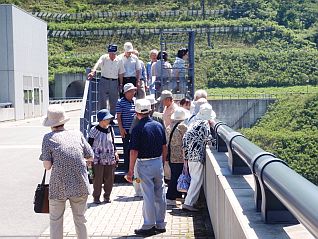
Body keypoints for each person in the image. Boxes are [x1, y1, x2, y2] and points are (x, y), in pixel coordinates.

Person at [40, 104, 94, 239]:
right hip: (80, 184)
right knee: (80, 219)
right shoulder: (77, 134)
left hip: (59, 186)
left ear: (51, 123)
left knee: (56, 220)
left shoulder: (48, 138)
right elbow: (90, 156)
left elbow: (47, 166)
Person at [126, 99, 167, 236]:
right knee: (160, 193)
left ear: (137, 112)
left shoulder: (137, 129)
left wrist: (131, 171)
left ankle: (149, 225)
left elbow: (133, 152)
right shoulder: (158, 125)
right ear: (150, 110)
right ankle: (161, 224)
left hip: (144, 164)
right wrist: (162, 162)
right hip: (158, 162)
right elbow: (164, 146)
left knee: (148, 195)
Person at [182, 103, 216, 212]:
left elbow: (185, 138)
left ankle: (191, 202)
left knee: (194, 179)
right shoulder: (204, 124)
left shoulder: (194, 122)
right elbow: (208, 139)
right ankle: (188, 203)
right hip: (196, 155)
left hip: (190, 154)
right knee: (196, 180)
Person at [88, 109, 119, 204]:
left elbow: (112, 142)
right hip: (97, 158)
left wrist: (116, 152)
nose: (109, 121)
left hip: (110, 157)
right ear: (101, 120)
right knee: (97, 179)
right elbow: (89, 144)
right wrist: (88, 158)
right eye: (107, 119)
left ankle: (107, 196)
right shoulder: (94, 130)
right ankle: (96, 197)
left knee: (109, 178)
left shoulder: (110, 128)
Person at [87, 44, 125, 115]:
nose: (111, 55)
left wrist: (121, 84)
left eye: (113, 53)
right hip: (104, 80)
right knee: (102, 100)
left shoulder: (119, 60)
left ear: (115, 53)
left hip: (114, 82)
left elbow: (121, 73)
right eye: (110, 53)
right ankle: (102, 117)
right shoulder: (104, 57)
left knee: (113, 101)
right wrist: (93, 71)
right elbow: (98, 64)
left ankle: (112, 117)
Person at [165, 107, 189, 206]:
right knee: (177, 177)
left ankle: (176, 195)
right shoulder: (182, 127)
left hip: (171, 155)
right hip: (180, 156)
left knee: (174, 176)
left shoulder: (169, 126)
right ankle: (170, 197)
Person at [116, 83, 136, 171]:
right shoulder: (120, 102)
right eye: (131, 91)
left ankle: (134, 168)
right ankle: (127, 168)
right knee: (126, 149)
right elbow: (119, 116)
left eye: (133, 91)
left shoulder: (135, 101)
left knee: (134, 149)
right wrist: (121, 128)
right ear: (126, 92)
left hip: (135, 130)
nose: (133, 93)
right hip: (126, 130)